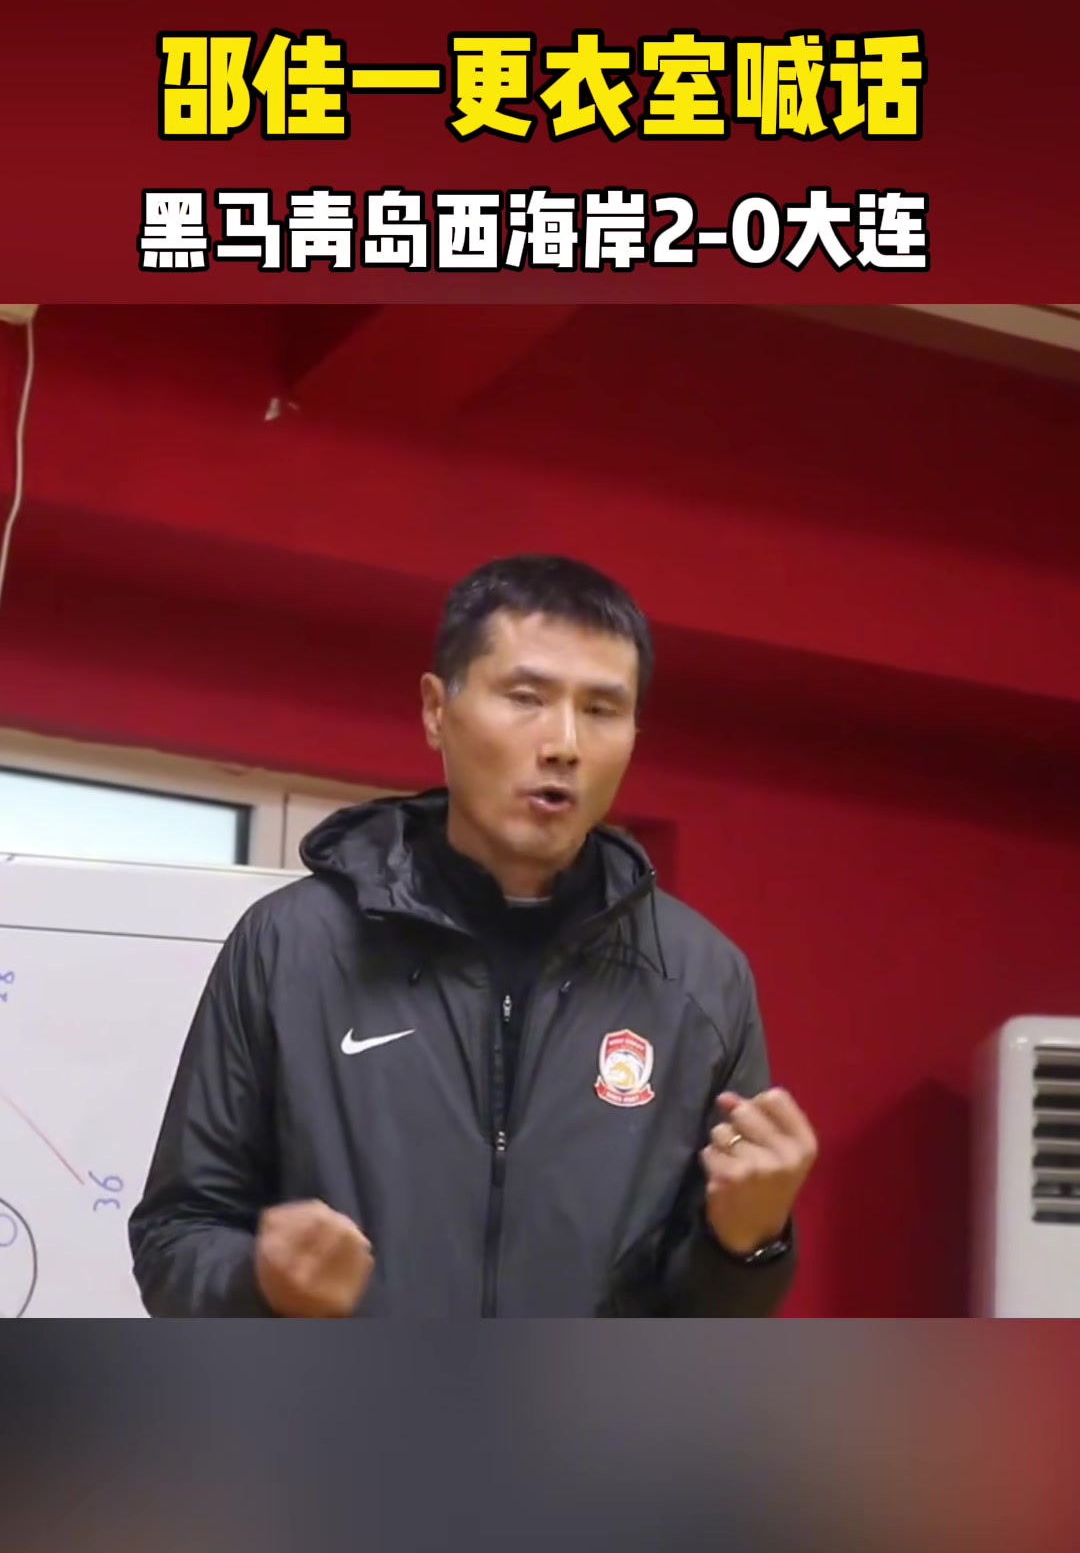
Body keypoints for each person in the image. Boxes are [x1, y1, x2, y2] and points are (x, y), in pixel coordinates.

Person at [129, 555, 817, 1317]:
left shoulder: (700, 981)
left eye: (601, 710)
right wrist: (261, 1279)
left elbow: (708, 1324)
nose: (564, 744)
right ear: (436, 709)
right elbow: (175, 1238)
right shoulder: (291, 947)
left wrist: (750, 1241)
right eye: (526, 698)